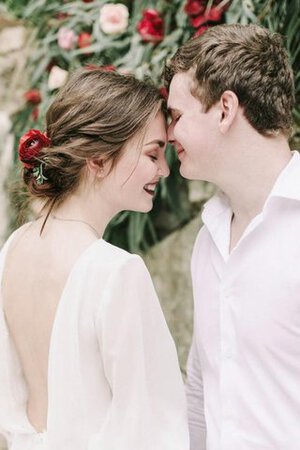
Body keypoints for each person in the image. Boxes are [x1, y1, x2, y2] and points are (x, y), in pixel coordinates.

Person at [0, 68, 189, 450]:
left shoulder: (13, 248)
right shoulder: (116, 272)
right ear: (98, 161)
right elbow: (154, 427)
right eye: (153, 153)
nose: (165, 170)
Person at [164, 23, 298, 449]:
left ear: (225, 109)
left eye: (177, 116)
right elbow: (202, 387)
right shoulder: (209, 239)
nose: (168, 135)